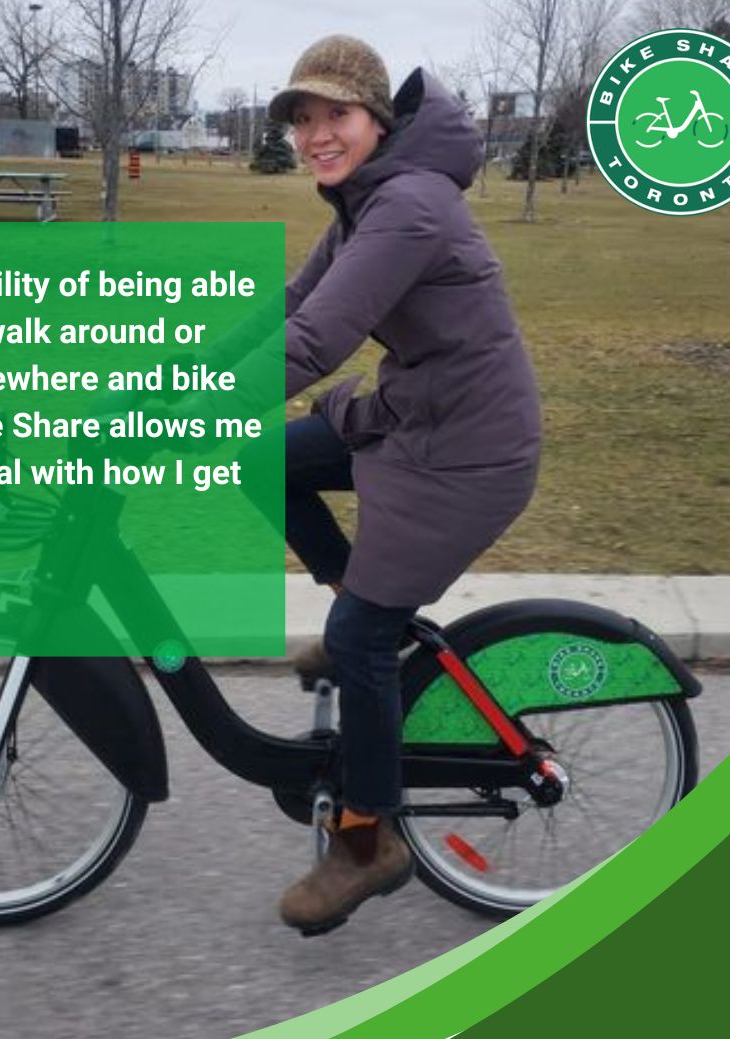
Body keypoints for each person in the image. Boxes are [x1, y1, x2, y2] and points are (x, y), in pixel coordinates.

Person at [263, 35, 543, 935]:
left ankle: (366, 844)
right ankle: (362, 621)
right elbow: (289, 310)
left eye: (335, 114)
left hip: (470, 452)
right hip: (419, 419)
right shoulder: (365, 202)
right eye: (303, 118)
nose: (316, 134)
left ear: (377, 121)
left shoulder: (409, 204)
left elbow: (316, 343)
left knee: (360, 636)